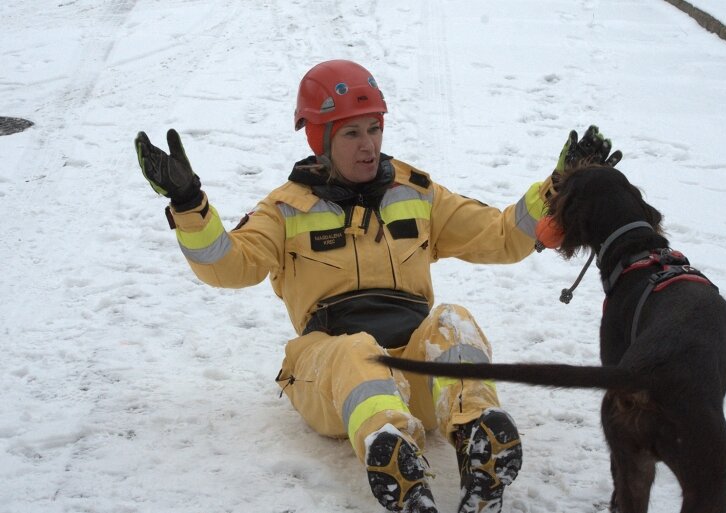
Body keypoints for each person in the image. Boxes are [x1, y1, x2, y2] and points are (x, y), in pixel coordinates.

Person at [134, 59, 620, 513]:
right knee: (357, 351)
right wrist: (187, 201)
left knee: (453, 320)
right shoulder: (283, 210)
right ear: (318, 140)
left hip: (412, 374)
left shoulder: (416, 192)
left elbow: (501, 236)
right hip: (331, 375)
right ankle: (394, 459)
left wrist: (560, 186)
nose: (368, 144)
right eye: (351, 133)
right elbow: (227, 264)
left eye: (374, 128)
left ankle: (478, 438)